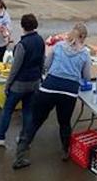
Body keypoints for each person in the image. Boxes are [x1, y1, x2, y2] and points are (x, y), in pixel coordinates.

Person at [13, 23, 92, 169]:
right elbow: (87, 76)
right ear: (83, 37)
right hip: (69, 92)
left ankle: (20, 154)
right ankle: (64, 151)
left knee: (36, 121)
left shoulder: (59, 46)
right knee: (64, 123)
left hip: (49, 88)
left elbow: (47, 65)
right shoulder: (85, 53)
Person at [0, 14, 43, 147]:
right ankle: (25, 139)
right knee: (28, 111)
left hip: (20, 84)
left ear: (22, 26)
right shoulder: (40, 40)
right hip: (34, 83)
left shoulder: (22, 45)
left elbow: (15, 68)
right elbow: (42, 62)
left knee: (7, 110)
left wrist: (7, 84)